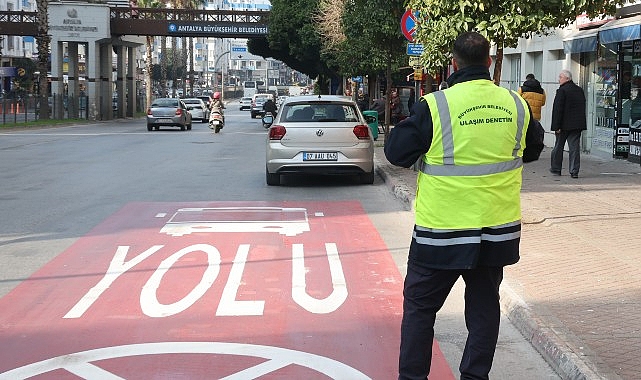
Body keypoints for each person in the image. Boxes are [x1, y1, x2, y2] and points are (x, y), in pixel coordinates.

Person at [384, 31, 543, 380]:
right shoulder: (515, 104)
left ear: (453, 63)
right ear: (489, 62)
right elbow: (532, 150)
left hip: (441, 234)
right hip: (496, 232)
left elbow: (396, 153)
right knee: (484, 311)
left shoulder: (435, 105)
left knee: (420, 311)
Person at [550, 69, 586, 179]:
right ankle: (574, 171)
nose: (558, 80)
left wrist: (556, 126)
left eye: (560, 77)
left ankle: (556, 168)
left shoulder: (562, 91)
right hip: (576, 125)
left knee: (558, 147)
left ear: (567, 78)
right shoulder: (579, 90)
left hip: (563, 125)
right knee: (574, 148)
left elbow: (558, 109)